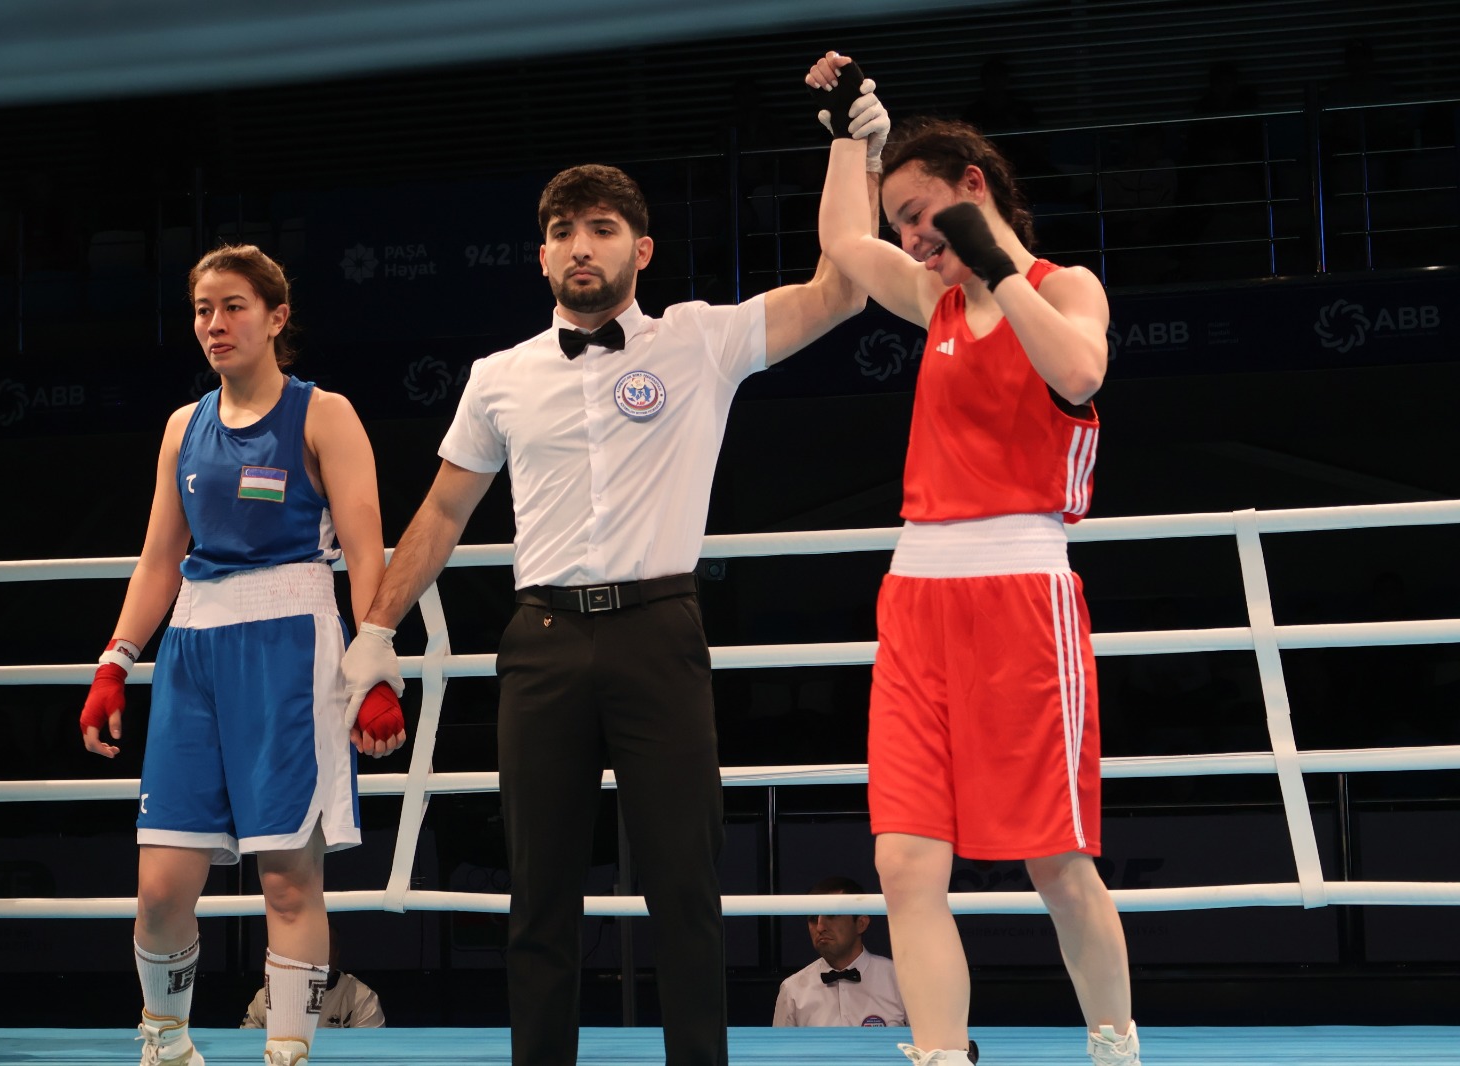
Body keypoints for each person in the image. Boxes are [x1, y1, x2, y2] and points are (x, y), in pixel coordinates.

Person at [338, 162, 866, 1066]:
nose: (581, 247)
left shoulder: (700, 340)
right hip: (541, 642)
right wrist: (377, 632)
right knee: (539, 893)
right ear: (542, 257)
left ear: (642, 249)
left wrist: (853, 150)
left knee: (685, 886)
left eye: (602, 229)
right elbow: (442, 512)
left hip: (659, 631)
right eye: (563, 233)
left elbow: (841, 291)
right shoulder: (499, 376)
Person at [806, 52, 1139, 1066]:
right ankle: (942, 1055)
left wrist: (997, 266)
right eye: (903, 223)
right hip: (917, 599)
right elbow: (840, 243)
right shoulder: (932, 301)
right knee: (905, 863)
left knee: (1056, 862)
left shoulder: (1062, 286)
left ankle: (1114, 1046)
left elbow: (1079, 372)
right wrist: (850, 141)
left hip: (1022, 599)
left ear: (974, 188)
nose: (912, 238)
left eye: (921, 215)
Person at [78, 244, 390, 1066]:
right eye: (202, 310)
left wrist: (375, 664)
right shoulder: (184, 427)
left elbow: (367, 552)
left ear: (277, 317)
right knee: (160, 889)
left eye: (233, 307)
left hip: (292, 646)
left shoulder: (325, 414)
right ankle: (165, 1044)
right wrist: (115, 661)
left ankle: (287, 1053)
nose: (214, 324)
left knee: (287, 878)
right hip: (193, 653)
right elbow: (159, 559)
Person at [772, 877, 911, 1030]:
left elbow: (926, 1043)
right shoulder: (792, 990)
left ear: (861, 923)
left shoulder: (901, 981)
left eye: (831, 915)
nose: (820, 927)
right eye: (813, 918)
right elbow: (780, 1046)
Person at [240, 928, 385, 1030]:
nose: (315, 955)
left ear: (336, 954)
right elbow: (245, 1048)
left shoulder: (361, 998)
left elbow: (371, 1055)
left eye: (324, 947)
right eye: (309, 947)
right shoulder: (267, 996)